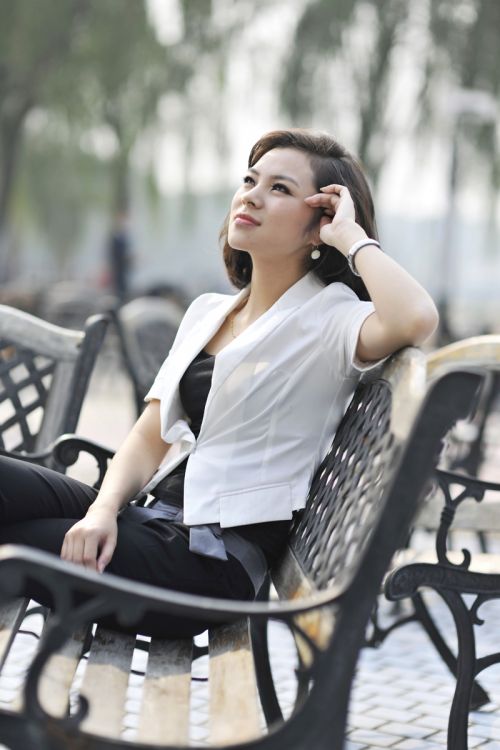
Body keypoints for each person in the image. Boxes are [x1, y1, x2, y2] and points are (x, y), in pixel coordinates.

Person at [0, 129, 438, 637]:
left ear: (319, 226)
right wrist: (101, 511)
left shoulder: (331, 319)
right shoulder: (207, 312)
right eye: (250, 180)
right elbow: (148, 436)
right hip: (152, 519)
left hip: (207, 563)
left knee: (14, 547)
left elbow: (416, 318)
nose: (251, 195)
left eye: (280, 188)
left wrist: (352, 237)